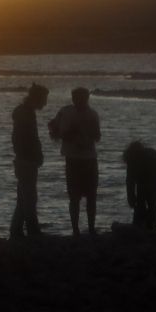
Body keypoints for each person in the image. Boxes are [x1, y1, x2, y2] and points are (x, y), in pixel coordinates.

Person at [49, 87, 101, 235]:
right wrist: (74, 129)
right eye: (78, 99)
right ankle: (76, 230)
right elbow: (55, 133)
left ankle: (91, 228)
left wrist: (91, 128)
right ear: (73, 99)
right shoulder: (65, 113)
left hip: (90, 159)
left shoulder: (93, 114)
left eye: (84, 99)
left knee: (91, 196)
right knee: (74, 196)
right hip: (72, 159)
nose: (81, 102)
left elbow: (97, 137)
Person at [10, 82, 49, 238]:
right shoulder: (25, 113)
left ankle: (16, 230)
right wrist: (34, 154)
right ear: (36, 98)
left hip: (25, 160)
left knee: (24, 199)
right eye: (44, 99)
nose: (45, 103)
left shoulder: (25, 112)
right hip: (26, 161)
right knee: (30, 199)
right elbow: (24, 138)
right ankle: (33, 231)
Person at [122, 141, 156, 231]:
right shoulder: (150, 155)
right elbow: (131, 183)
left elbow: (130, 183)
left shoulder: (133, 160)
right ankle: (151, 225)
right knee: (151, 203)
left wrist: (132, 199)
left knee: (145, 201)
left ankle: (145, 224)